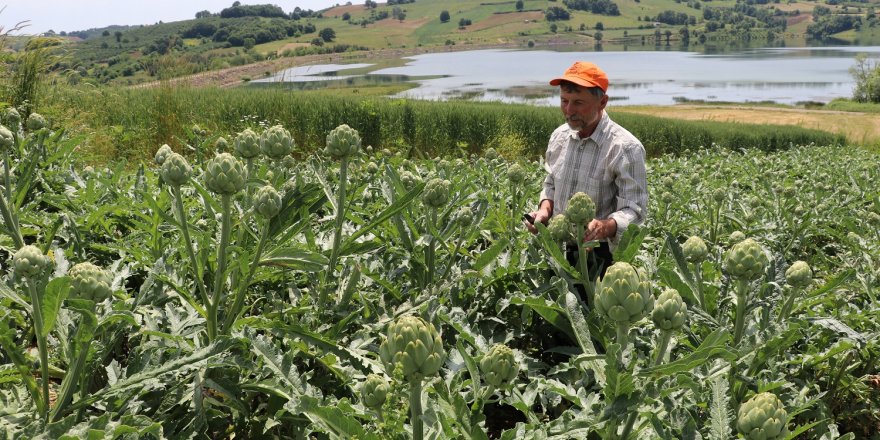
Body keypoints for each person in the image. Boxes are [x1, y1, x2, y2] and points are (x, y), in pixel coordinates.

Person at [525, 61, 648, 279]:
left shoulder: (625, 148)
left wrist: (604, 226)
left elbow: (635, 210)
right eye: (564, 101)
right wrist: (544, 211)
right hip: (555, 249)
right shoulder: (559, 137)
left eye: (578, 103)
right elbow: (551, 183)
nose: (569, 111)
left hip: (598, 259)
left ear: (602, 102)